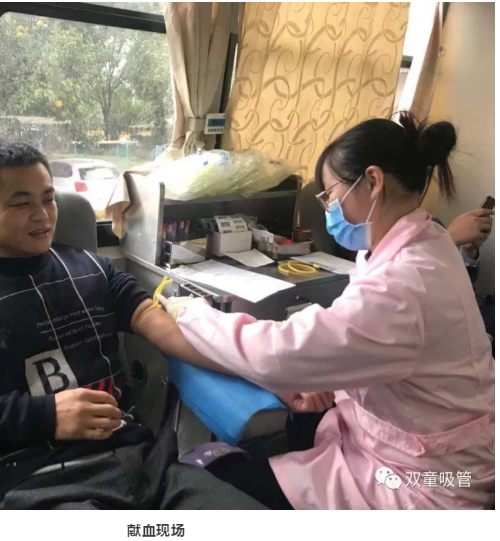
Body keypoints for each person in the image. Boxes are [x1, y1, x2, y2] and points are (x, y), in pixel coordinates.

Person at [0, 141, 330, 510]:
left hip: (150, 471)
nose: (42, 215)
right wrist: (44, 416)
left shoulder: (92, 269)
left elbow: (169, 333)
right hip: (39, 487)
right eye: (21, 203)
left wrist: (272, 376)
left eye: (48, 198)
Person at [158, 112, 495, 510]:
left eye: (331, 195)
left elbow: (277, 354)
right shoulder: (427, 240)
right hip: (419, 446)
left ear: (373, 181)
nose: (329, 208)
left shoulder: (403, 283)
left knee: (215, 489)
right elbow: (356, 338)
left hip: (423, 482)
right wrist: (330, 374)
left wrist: (190, 313)